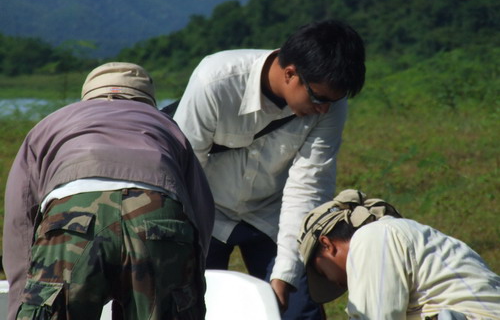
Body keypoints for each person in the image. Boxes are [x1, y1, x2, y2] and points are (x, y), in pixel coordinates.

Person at [173, 19, 366, 319]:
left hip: (272, 217)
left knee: (300, 312)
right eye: (319, 98)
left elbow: (308, 186)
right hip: (207, 212)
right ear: (290, 74)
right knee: (192, 308)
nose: (324, 109)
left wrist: (284, 275)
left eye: (334, 100)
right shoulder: (215, 82)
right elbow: (186, 174)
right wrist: (189, 252)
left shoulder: (331, 104)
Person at [3, 62, 215, 320]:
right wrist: (191, 277)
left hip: (71, 215)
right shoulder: (166, 125)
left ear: (87, 98)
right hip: (158, 216)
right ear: (148, 101)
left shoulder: (52, 123)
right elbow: (200, 213)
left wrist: (20, 302)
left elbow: (20, 220)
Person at [298, 189, 500, 320]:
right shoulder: (401, 231)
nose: (336, 284)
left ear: (327, 245)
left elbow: (376, 317)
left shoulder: (372, 237)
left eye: (322, 273)